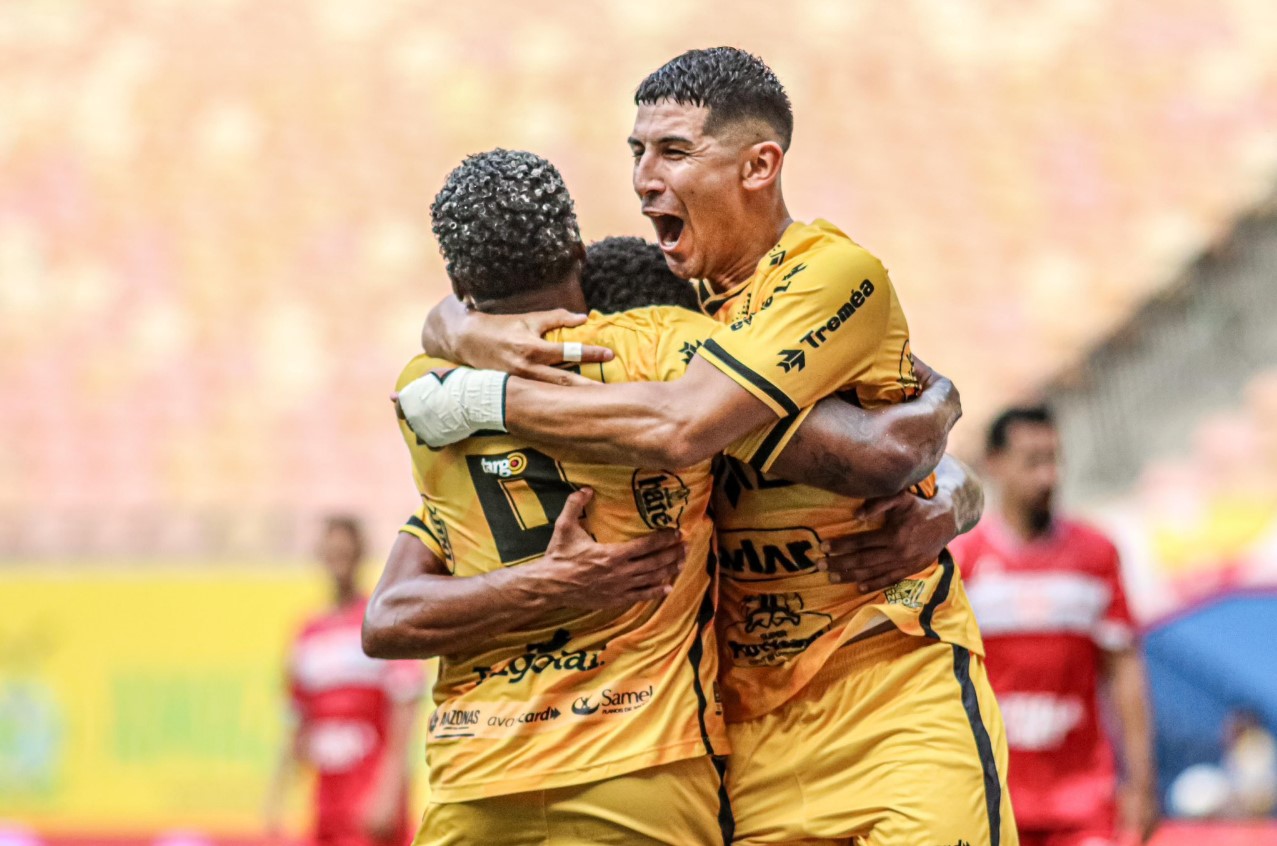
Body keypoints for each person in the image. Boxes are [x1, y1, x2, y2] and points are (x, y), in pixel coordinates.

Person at [398, 49, 1011, 846]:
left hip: (888, 690)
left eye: (674, 151)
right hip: (740, 733)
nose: (643, 178)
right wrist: (455, 328)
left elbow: (691, 428)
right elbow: (501, 296)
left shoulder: (828, 275)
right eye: (637, 151)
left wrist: (473, 397)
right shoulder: (663, 308)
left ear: (759, 166)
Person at [950, 406, 1158, 846]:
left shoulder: (1097, 554)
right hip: (992, 798)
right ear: (995, 464)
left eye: (1053, 460)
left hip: (1084, 802)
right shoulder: (961, 563)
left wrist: (1141, 782)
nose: (1048, 476)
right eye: (1032, 462)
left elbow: (1124, 671)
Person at [265, 516, 424, 846]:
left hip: (369, 793)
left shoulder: (380, 622)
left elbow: (405, 709)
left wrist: (389, 790)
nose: (339, 561)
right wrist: (277, 795)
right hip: (327, 798)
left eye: (346, 552)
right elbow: (297, 720)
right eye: (333, 552)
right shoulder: (307, 633)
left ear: (360, 555)